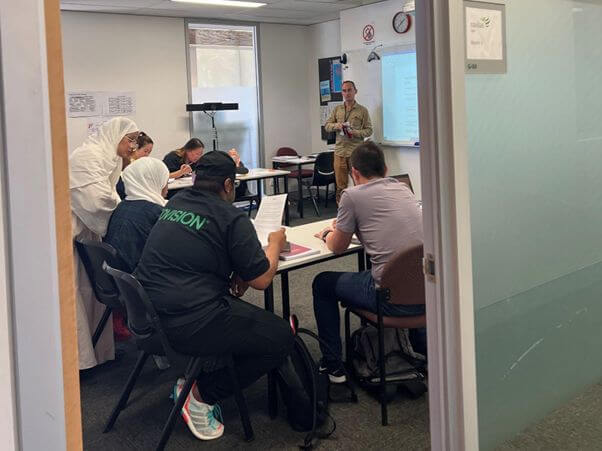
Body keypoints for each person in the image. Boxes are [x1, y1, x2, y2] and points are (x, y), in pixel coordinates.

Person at [135, 151, 293, 441]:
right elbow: (262, 280)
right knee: (281, 335)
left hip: (149, 316)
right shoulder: (231, 217)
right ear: (229, 185)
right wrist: (274, 243)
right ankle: (200, 393)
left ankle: (207, 373)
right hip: (187, 323)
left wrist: (236, 269)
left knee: (246, 319)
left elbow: (195, 249)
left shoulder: (176, 203)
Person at [312, 142, 423, 383]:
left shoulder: (352, 196)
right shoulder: (403, 188)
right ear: (386, 169)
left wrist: (328, 232)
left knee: (322, 283)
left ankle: (333, 367)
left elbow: (337, 247)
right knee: (377, 269)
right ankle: (419, 346)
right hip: (428, 295)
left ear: (354, 173)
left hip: (389, 299)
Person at [70, 117, 139, 370]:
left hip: (88, 231)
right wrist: (125, 217)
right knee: (78, 295)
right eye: (130, 140)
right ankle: (81, 361)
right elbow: (97, 202)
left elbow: (109, 197)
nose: (133, 146)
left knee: (91, 295)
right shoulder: (87, 156)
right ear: (115, 135)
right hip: (76, 230)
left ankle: (98, 354)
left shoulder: (109, 157)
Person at [105, 157, 169, 273]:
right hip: (140, 274)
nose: (166, 186)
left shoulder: (122, 205)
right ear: (154, 181)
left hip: (121, 276)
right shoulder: (156, 213)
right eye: (165, 180)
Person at [324, 80, 373, 204]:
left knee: (360, 184)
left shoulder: (362, 110)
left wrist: (356, 132)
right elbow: (327, 126)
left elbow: (369, 130)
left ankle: (361, 210)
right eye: (344, 91)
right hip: (339, 152)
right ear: (342, 93)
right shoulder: (337, 109)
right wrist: (337, 126)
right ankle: (341, 211)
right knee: (340, 186)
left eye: (349, 90)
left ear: (355, 91)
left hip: (355, 153)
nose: (347, 93)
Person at [117, 131, 154, 199]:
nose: (147, 155)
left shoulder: (142, 164)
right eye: (145, 151)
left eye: (149, 152)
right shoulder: (126, 163)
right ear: (136, 148)